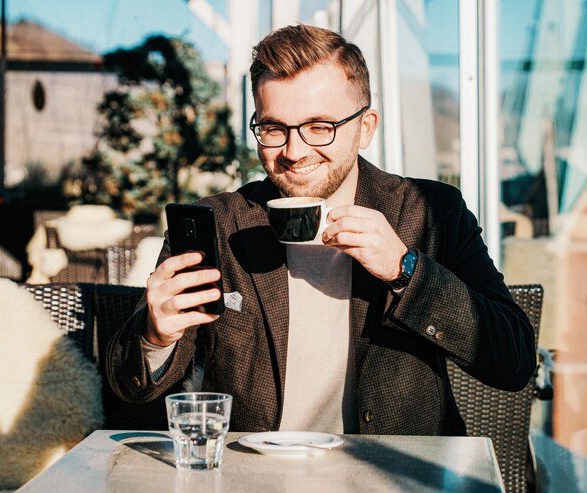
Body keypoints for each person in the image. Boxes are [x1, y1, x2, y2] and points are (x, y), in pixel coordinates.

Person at [106, 24, 536, 435]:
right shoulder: (218, 223)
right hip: (257, 478)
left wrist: (405, 268)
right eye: (273, 128)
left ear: (365, 128)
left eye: (319, 127)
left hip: (396, 476)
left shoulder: (431, 212)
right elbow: (132, 388)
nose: (294, 151)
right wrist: (155, 334)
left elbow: (514, 361)